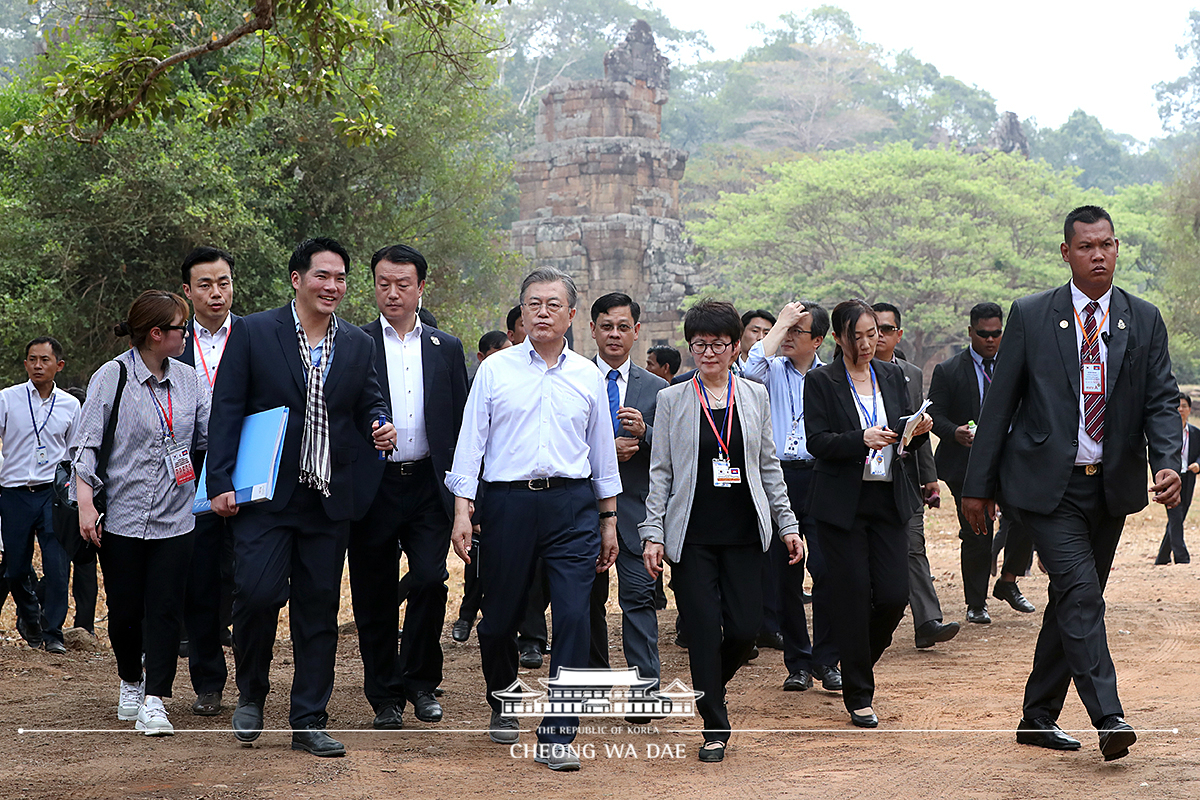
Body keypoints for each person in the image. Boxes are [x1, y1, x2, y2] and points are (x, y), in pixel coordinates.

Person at [963, 205, 1182, 762]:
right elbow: (1000, 405)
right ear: (1067, 253)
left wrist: (1168, 460)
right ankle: (1109, 716)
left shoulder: (1143, 317)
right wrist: (976, 486)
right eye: (1087, 247)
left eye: (1107, 245)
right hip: (1046, 486)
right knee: (1082, 595)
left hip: (1110, 486)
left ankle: (1037, 716)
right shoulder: (1033, 315)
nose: (1099, 255)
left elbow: (1160, 398)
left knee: (1072, 601)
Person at [207, 238, 394, 757]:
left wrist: (380, 425)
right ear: (296, 279)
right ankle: (251, 694)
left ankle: (308, 717)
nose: (332, 287)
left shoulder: (357, 343)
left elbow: (369, 400)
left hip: (328, 499)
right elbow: (227, 407)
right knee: (258, 595)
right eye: (322, 277)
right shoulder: (254, 331)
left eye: (339, 279)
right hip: (266, 497)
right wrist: (219, 481)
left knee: (318, 611)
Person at [445, 266, 620, 772]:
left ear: (570, 315)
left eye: (552, 304)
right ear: (522, 313)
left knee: (572, 614)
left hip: (572, 506)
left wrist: (608, 519)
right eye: (533, 304)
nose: (542, 312)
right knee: (498, 620)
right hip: (507, 505)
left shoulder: (588, 376)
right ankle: (503, 699)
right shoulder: (496, 371)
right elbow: (470, 444)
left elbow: (602, 454)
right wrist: (462, 508)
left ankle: (559, 731)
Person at [641, 300, 803, 763]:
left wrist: (787, 523)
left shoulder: (754, 396)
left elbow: (769, 467)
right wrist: (653, 533)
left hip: (745, 534)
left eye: (717, 344)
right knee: (703, 631)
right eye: (699, 344)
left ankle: (707, 684)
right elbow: (662, 474)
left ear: (736, 346)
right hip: (691, 536)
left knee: (745, 629)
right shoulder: (672, 399)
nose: (707, 353)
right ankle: (715, 722)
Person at [73, 290, 210, 735]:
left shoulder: (190, 380)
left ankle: (155, 698)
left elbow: (209, 437)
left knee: (167, 608)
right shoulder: (110, 377)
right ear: (156, 334)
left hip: (177, 517)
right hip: (124, 518)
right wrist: (86, 504)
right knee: (125, 610)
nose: (186, 334)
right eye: (179, 327)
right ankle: (131, 678)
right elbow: (86, 445)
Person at [349, 243, 468, 730]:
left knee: (428, 580)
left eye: (403, 284)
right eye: (383, 284)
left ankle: (421, 681)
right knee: (373, 593)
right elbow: (338, 415)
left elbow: (463, 423)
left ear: (422, 287)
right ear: (373, 286)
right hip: (372, 487)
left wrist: (464, 493)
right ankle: (384, 695)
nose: (392, 293)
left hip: (426, 485)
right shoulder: (352, 343)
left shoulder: (446, 347)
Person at [803, 299, 932, 728]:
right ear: (838, 338)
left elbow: (903, 439)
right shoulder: (821, 381)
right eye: (855, 336)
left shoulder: (893, 375)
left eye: (872, 333)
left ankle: (857, 661)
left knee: (895, 595)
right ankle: (859, 693)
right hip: (842, 505)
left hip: (889, 499)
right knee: (854, 595)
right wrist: (861, 438)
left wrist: (914, 433)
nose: (865, 343)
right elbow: (818, 442)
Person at [743, 300, 843, 692]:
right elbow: (749, 368)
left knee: (827, 570)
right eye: (785, 330)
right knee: (784, 575)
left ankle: (828, 659)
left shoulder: (832, 378)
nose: (786, 337)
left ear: (817, 340)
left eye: (795, 332)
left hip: (821, 476)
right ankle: (798, 662)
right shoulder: (770, 371)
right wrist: (780, 323)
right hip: (778, 479)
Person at [585, 292, 669, 722]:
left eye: (623, 327)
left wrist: (648, 433)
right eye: (606, 326)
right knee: (586, 603)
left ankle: (644, 691)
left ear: (637, 332)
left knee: (638, 600)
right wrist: (601, 450)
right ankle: (595, 684)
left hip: (638, 515)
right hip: (584, 512)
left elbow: (675, 452)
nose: (614, 335)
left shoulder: (658, 388)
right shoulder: (575, 378)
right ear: (592, 329)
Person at [928, 303, 1035, 624]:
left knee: (1027, 517)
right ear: (970, 332)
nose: (991, 340)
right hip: (966, 464)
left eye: (996, 333)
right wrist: (954, 432)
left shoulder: (1018, 366)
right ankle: (976, 603)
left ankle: (1008, 581)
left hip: (1013, 460)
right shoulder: (948, 370)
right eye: (984, 334)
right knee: (977, 532)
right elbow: (934, 415)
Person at [871, 303, 960, 650]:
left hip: (904, 475)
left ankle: (927, 622)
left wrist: (930, 476)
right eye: (872, 329)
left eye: (887, 330)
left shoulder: (910, 373)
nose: (879, 336)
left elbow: (918, 428)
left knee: (914, 546)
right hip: (863, 476)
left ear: (899, 335)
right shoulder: (849, 375)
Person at [176, 245, 239, 717]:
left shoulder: (257, 335)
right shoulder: (174, 347)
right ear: (187, 291)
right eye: (205, 284)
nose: (216, 293)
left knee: (252, 577)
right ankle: (208, 682)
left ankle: (254, 679)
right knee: (199, 577)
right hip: (191, 467)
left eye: (223, 283)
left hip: (247, 463)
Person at [0, 336, 81, 654]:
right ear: (24, 364)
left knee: (58, 567)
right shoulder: (8, 399)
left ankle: (53, 632)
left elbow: (74, 453)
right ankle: (30, 618)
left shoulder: (70, 405)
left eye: (44, 360)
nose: (37, 365)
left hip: (53, 494)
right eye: (32, 359)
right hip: (15, 493)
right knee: (16, 566)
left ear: (58, 365)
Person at [452, 330, 512, 644]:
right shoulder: (473, 390)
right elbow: (468, 447)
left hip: (507, 487)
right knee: (475, 561)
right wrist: (467, 500)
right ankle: (465, 615)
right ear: (482, 358)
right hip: (479, 487)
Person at [1157, 392, 1197, 565]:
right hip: (1170, 478)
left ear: (1189, 409)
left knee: (1180, 516)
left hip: (1188, 476)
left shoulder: (1196, 433)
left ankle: (1162, 557)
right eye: (1177, 406)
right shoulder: (1165, 433)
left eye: (1184, 406)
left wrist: (1198, 465)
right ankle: (1181, 557)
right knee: (1175, 515)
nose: (1180, 409)